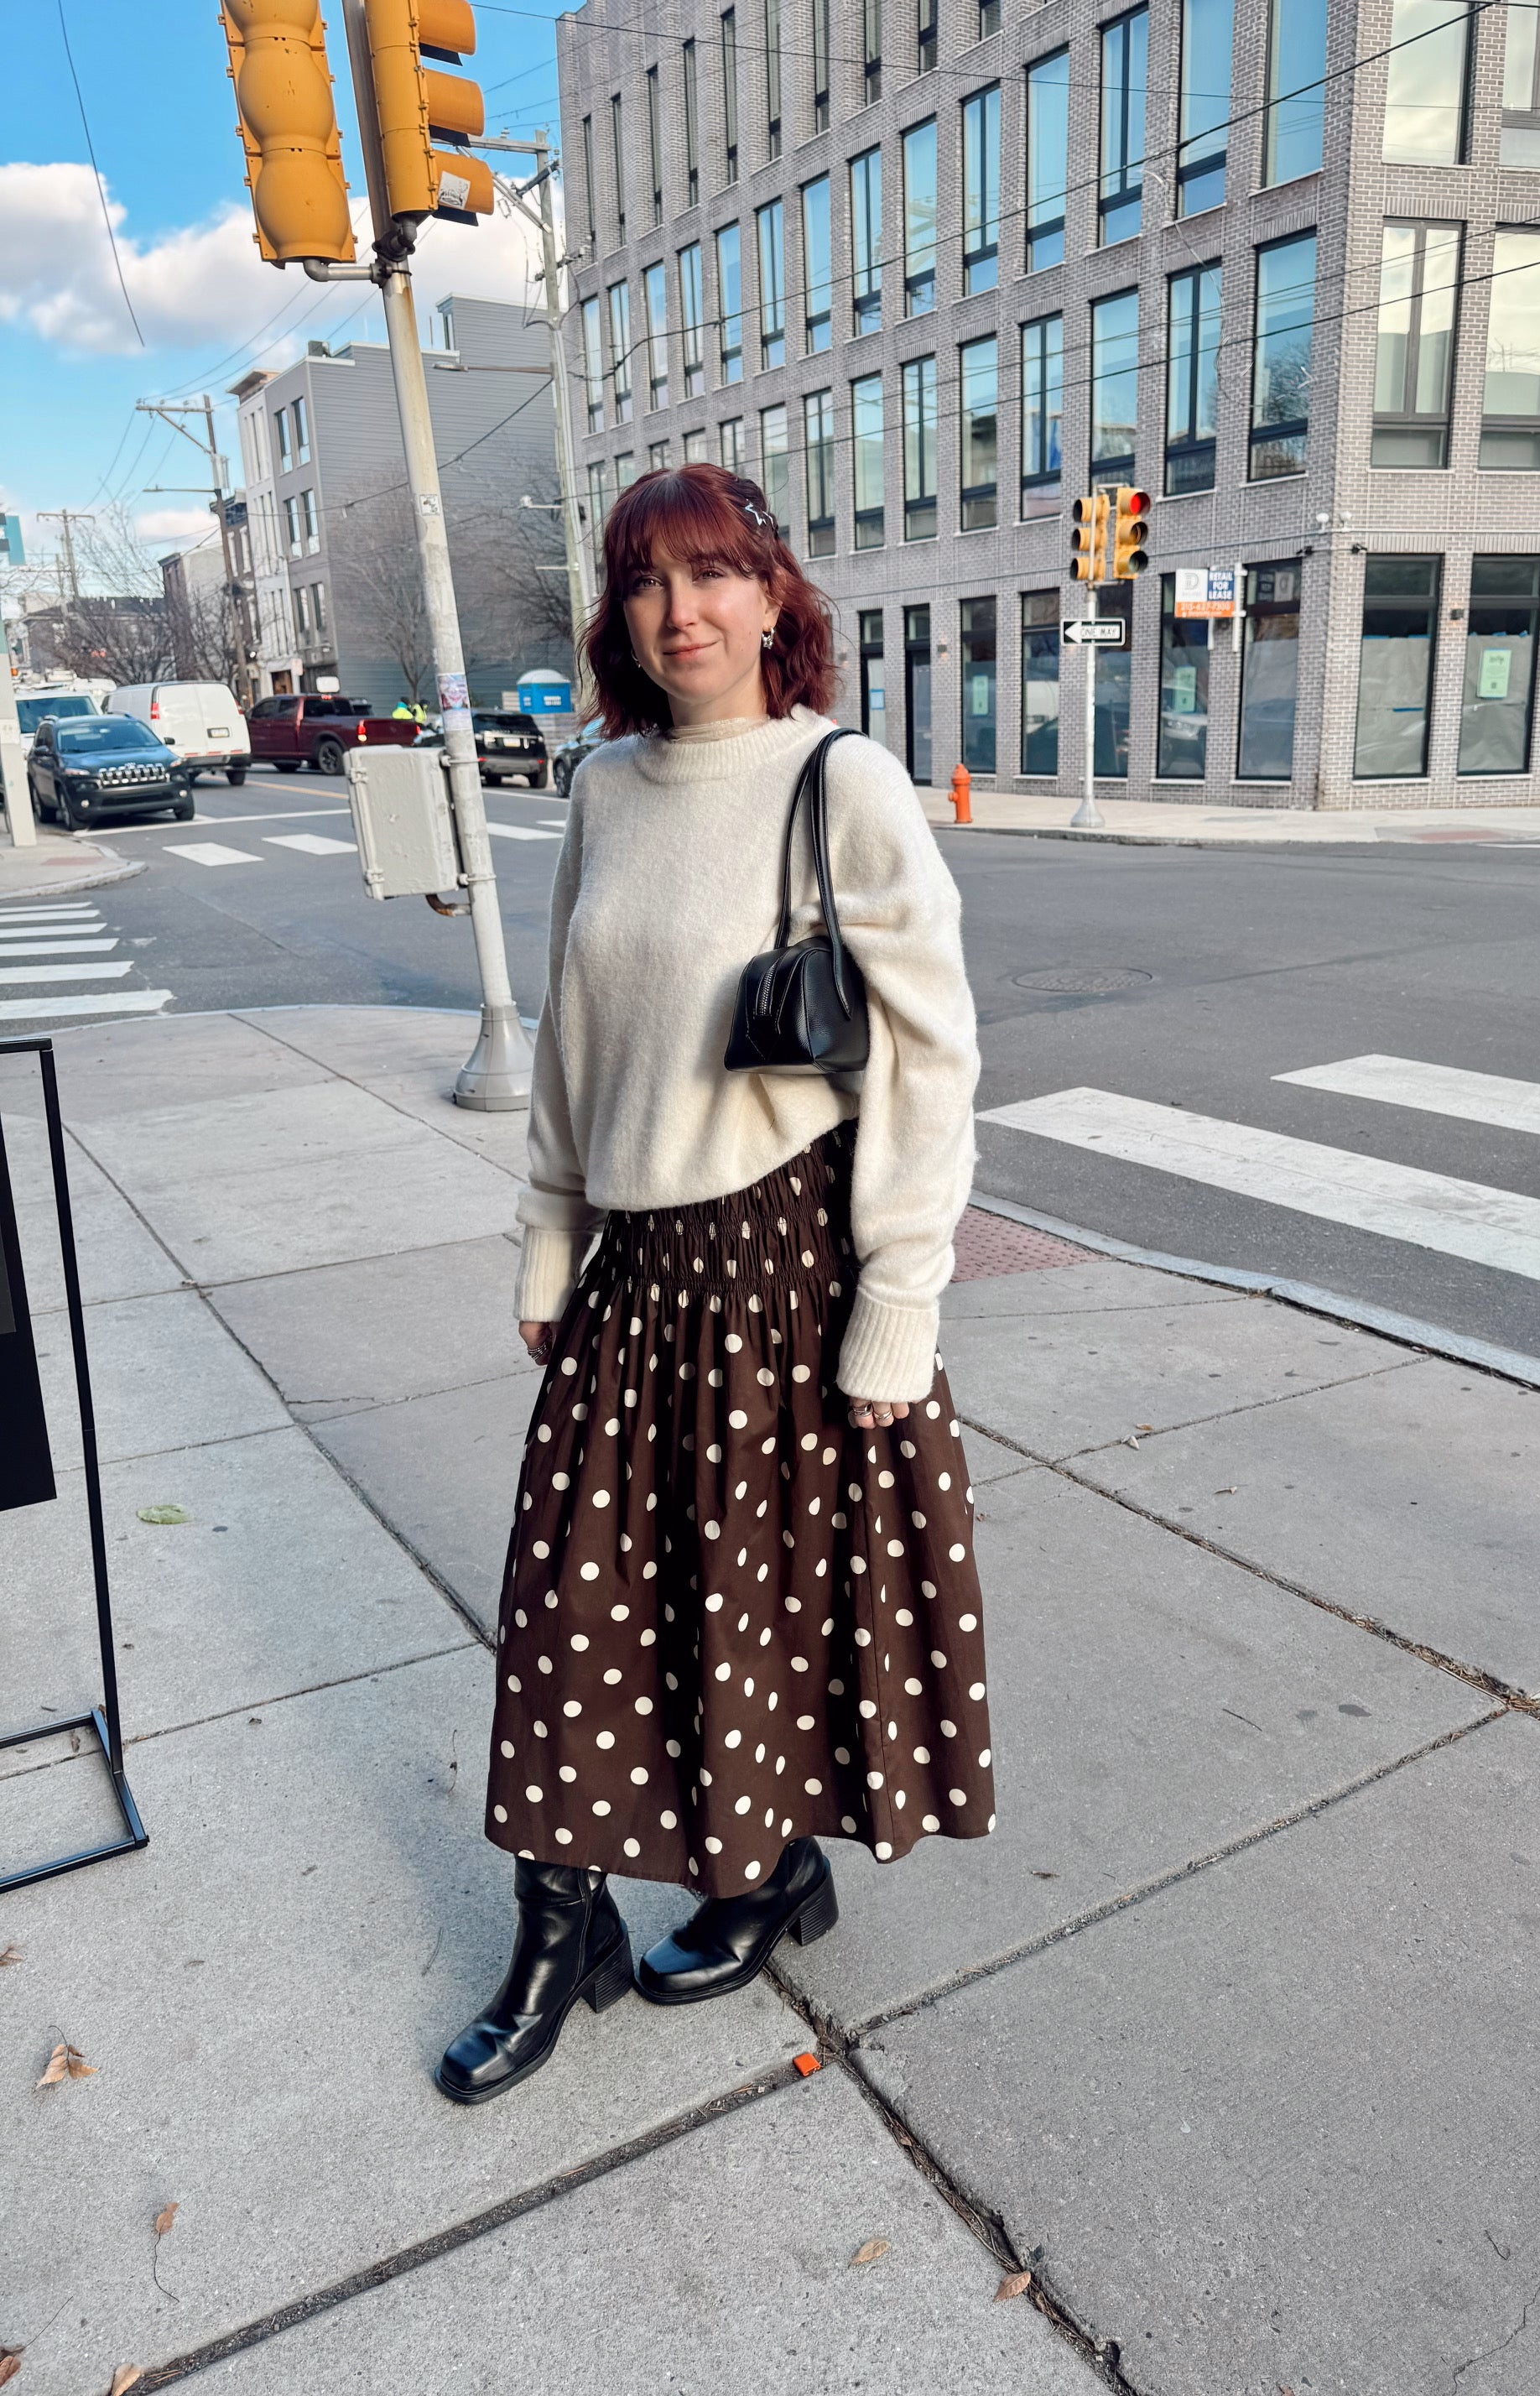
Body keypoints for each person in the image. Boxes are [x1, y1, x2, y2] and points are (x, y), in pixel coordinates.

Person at [437, 462, 993, 2105]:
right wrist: (550, 1238)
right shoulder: (605, 793)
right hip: (634, 1268)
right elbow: (571, 1044)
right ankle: (564, 1931)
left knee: (743, 1612)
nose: (681, 615)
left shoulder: (845, 783)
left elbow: (929, 1061)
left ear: (773, 596)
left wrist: (900, 1305)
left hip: (782, 1267)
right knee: (573, 1612)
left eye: (712, 577)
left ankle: (760, 1880)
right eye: (646, 585)